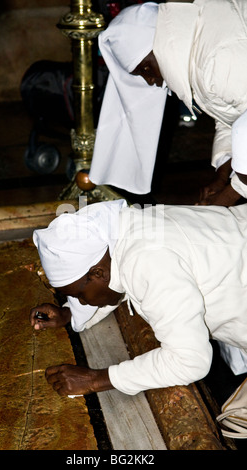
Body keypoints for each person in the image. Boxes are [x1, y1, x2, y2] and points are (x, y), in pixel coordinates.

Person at [30, 200, 247, 397]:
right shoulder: (129, 227)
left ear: (98, 273)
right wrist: (69, 312)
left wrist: (96, 379)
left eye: (79, 295)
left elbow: (190, 360)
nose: (83, 302)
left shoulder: (148, 262)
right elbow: (121, 280)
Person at [88, 1, 247, 207]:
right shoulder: (192, 49)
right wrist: (221, 178)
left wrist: (228, 196)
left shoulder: (214, 60)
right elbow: (230, 117)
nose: (150, 81)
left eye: (145, 70)